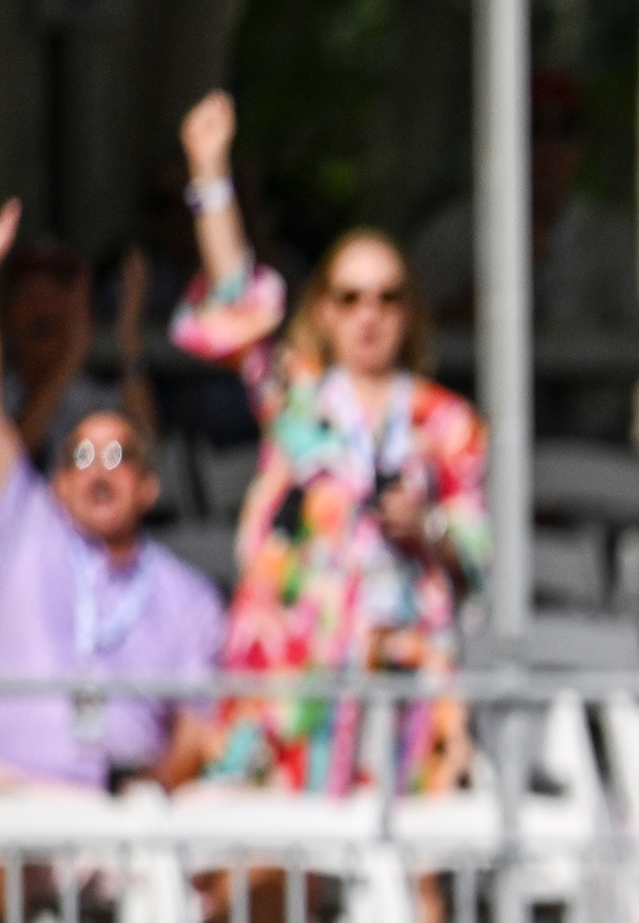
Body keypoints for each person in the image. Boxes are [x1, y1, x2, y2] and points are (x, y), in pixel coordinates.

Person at [171, 90, 489, 795]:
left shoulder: (450, 424)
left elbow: (480, 552)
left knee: (419, 880)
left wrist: (428, 527)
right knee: (277, 874)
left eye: (387, 296)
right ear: (322, 308)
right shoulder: (298, 399)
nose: (368, 315)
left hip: (403, 678)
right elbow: (237, 299)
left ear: (410, 311)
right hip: (294, 669)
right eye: (349, 297)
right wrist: (210, 174)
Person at [0, 202, 225, 793]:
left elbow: (199, 730)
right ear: (57, 482)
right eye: (79, 458)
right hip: (17, 801)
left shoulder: (189, 595)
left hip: (128, 819)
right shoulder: (26, 530)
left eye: (118, 460)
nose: (99, 474)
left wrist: (143, 803)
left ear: (149, 486)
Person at [408, 71, 639, 442]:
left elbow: (636, 342)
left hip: (589, 436)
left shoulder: (605, 237)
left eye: (564, 129)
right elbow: (414, 337)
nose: (549, 148)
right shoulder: (451, 232)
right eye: (535, 129)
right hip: (471, 430)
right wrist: (496, 285)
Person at [3, 234, 156, 470]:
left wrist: (128, 335)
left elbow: (148, 461)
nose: (40, 307)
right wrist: (69, 361)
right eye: (27, 293)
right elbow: (8, 471)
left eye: (54, 293)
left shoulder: (95, 403)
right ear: (8, 311)